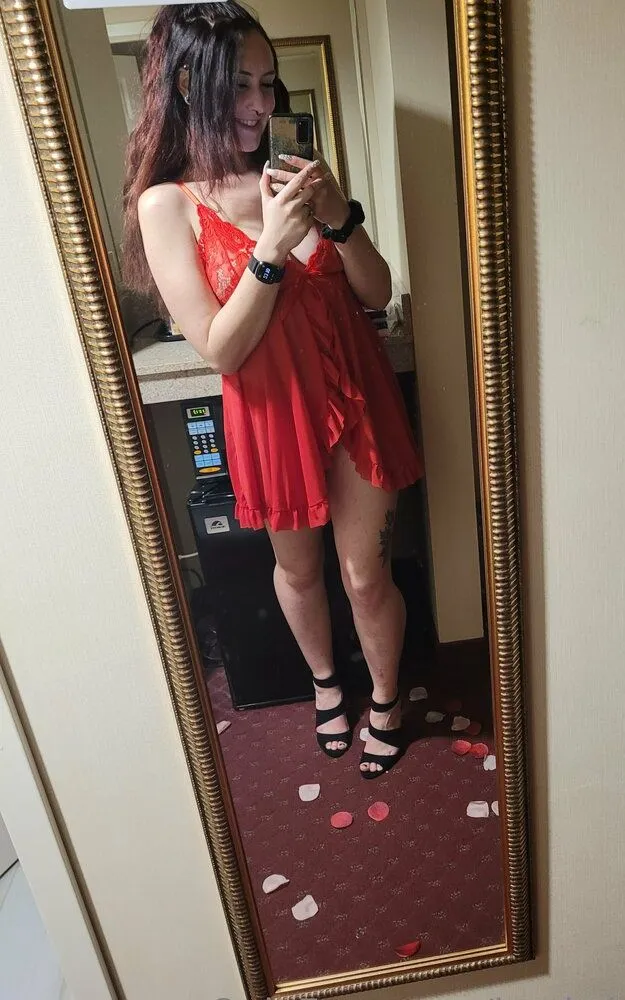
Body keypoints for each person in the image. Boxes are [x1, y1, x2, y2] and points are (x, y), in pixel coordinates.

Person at [122, 3, 423, 779]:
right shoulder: (169, 205)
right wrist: (272, 248)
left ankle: (386, 698)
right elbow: (221, 347)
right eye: (240, 85)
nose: (261, 104)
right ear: (188, 85)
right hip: (270, 413)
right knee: (298, 570)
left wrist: (340, 217)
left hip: (356, 396)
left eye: (269, 82)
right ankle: (325, 685)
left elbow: (375, 291)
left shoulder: (294, 176)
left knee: (365, 573)